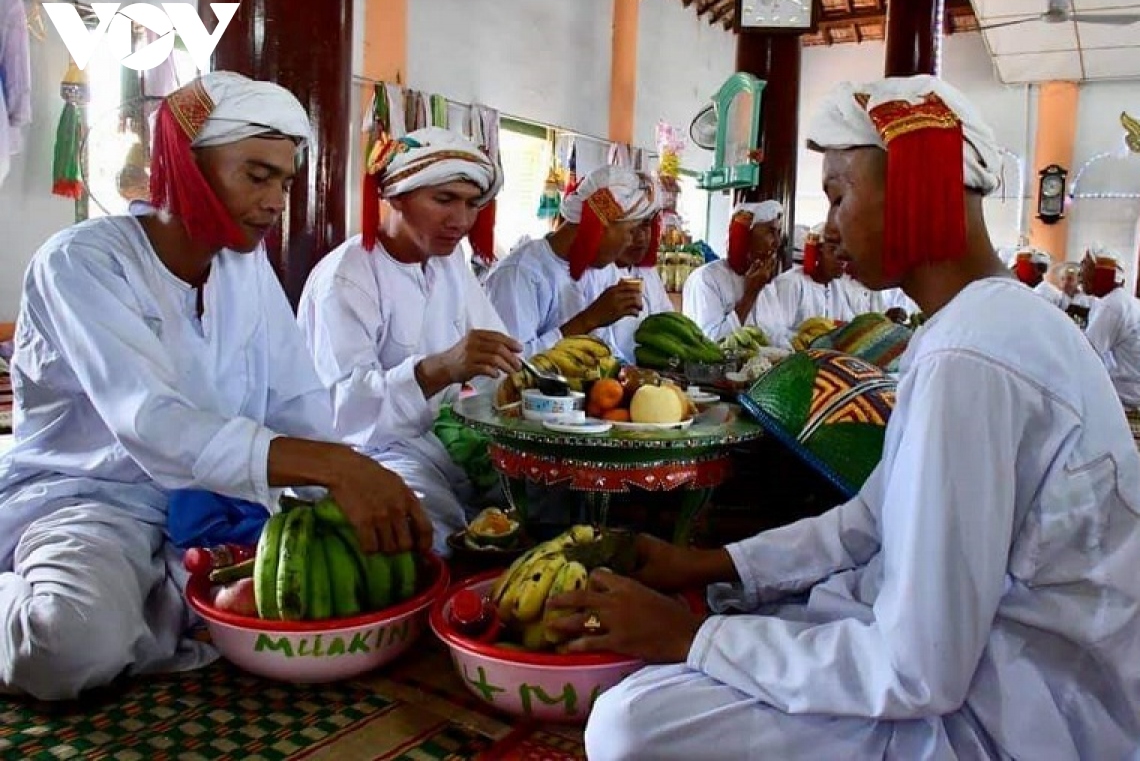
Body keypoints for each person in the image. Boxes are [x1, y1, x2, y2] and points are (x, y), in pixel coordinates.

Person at [546, 75, 1140, 761]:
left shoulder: (971, 353)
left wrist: (689, 638)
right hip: (1001, 675)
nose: (829, 226)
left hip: (1012, 720)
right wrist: (709, 564)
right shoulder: (983, 325)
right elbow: (871, 520)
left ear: (913, 183)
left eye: (839, 194)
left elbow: (918, 669)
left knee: (628, 724)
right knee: (738, 622)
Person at [0, 72, 433, 701]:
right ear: (184, 165)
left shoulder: (244, 265)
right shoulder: (81, 262)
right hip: (94, 498)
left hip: (222, 498)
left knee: (392, 562)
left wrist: (347, 483)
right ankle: (112, 605)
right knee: (67, 647)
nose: (277, 200)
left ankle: (160, 610)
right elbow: (151, 421)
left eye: (284, 181)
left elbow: (296, 401)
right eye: (256, 175)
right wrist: (335, 467)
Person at [296, 127, 520, 555]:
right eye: (444, 199)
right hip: (362, 455)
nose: (461, 220)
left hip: (433, 443)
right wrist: (438, 369)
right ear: (396, 195)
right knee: (426, 534)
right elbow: (342, 412)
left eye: (471, 204)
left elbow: (496, 346)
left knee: (532, 502)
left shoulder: (449, 261)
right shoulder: (346, 278)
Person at [484, 165, 660, 357]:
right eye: (631, 231)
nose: (632, 241)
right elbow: (509, 366)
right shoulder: (520, 274)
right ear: (600, 226)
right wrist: (587, 320)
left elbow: (606, 351)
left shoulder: (605, 271)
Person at [757, 222, 880, 346]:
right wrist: (808, 340)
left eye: (844, 252)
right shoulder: (792, 283)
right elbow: (776, 332)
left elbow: (848, 325)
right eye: (833, 250)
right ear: (818, 252)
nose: (841, 259)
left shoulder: (838, 287)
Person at [681, 201, 782, 341]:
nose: (777, 242)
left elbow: (777, 336)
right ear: (746, 236)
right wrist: (750, 294)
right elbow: (711, 343)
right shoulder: (706, 279)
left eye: (778, 233)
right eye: (770, 232)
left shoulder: (766, 284)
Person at [1081, 246, 1140, 414]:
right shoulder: (1131, 302)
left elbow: (1084, 355)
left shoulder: (1111, 306)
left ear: (1101, 274)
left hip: (1127, 395)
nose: (1080, 274)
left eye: (1085, 267)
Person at [606, 212, 675, 362]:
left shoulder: (648, 273)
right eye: (631, 227)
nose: (641, 238)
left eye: (645, 224)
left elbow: (670, 321)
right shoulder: (598, 272)